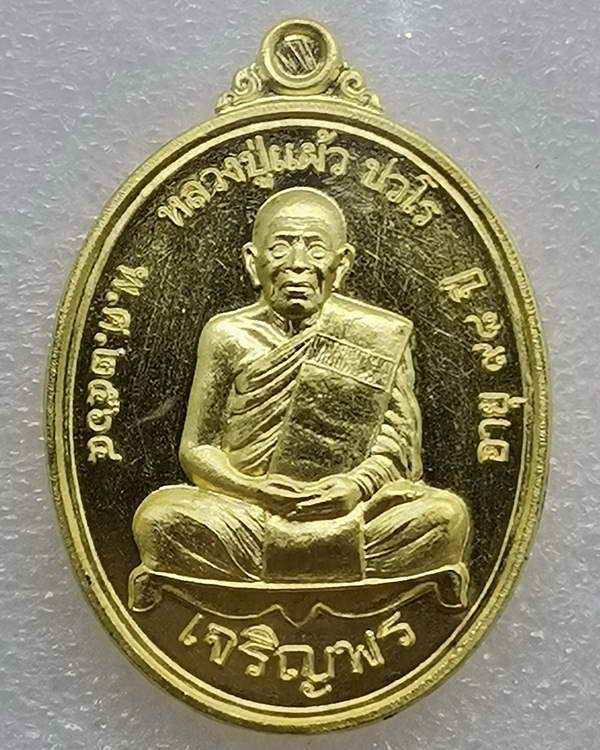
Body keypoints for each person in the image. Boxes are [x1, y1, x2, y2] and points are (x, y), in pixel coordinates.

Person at [128, 187, 470, 611]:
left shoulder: (377, 334)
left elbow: (398, 447)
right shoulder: (227, 335)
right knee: (158, 519)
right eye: (280, 248)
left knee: (445, 516)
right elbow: (197, 448)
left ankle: (293, 563)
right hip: (247, 514)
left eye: (315, 249)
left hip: (352, 512)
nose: (297, 264)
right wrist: (255, 490)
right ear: (252, 262)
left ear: (342, 264)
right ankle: (331, 564)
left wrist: (354, 487)